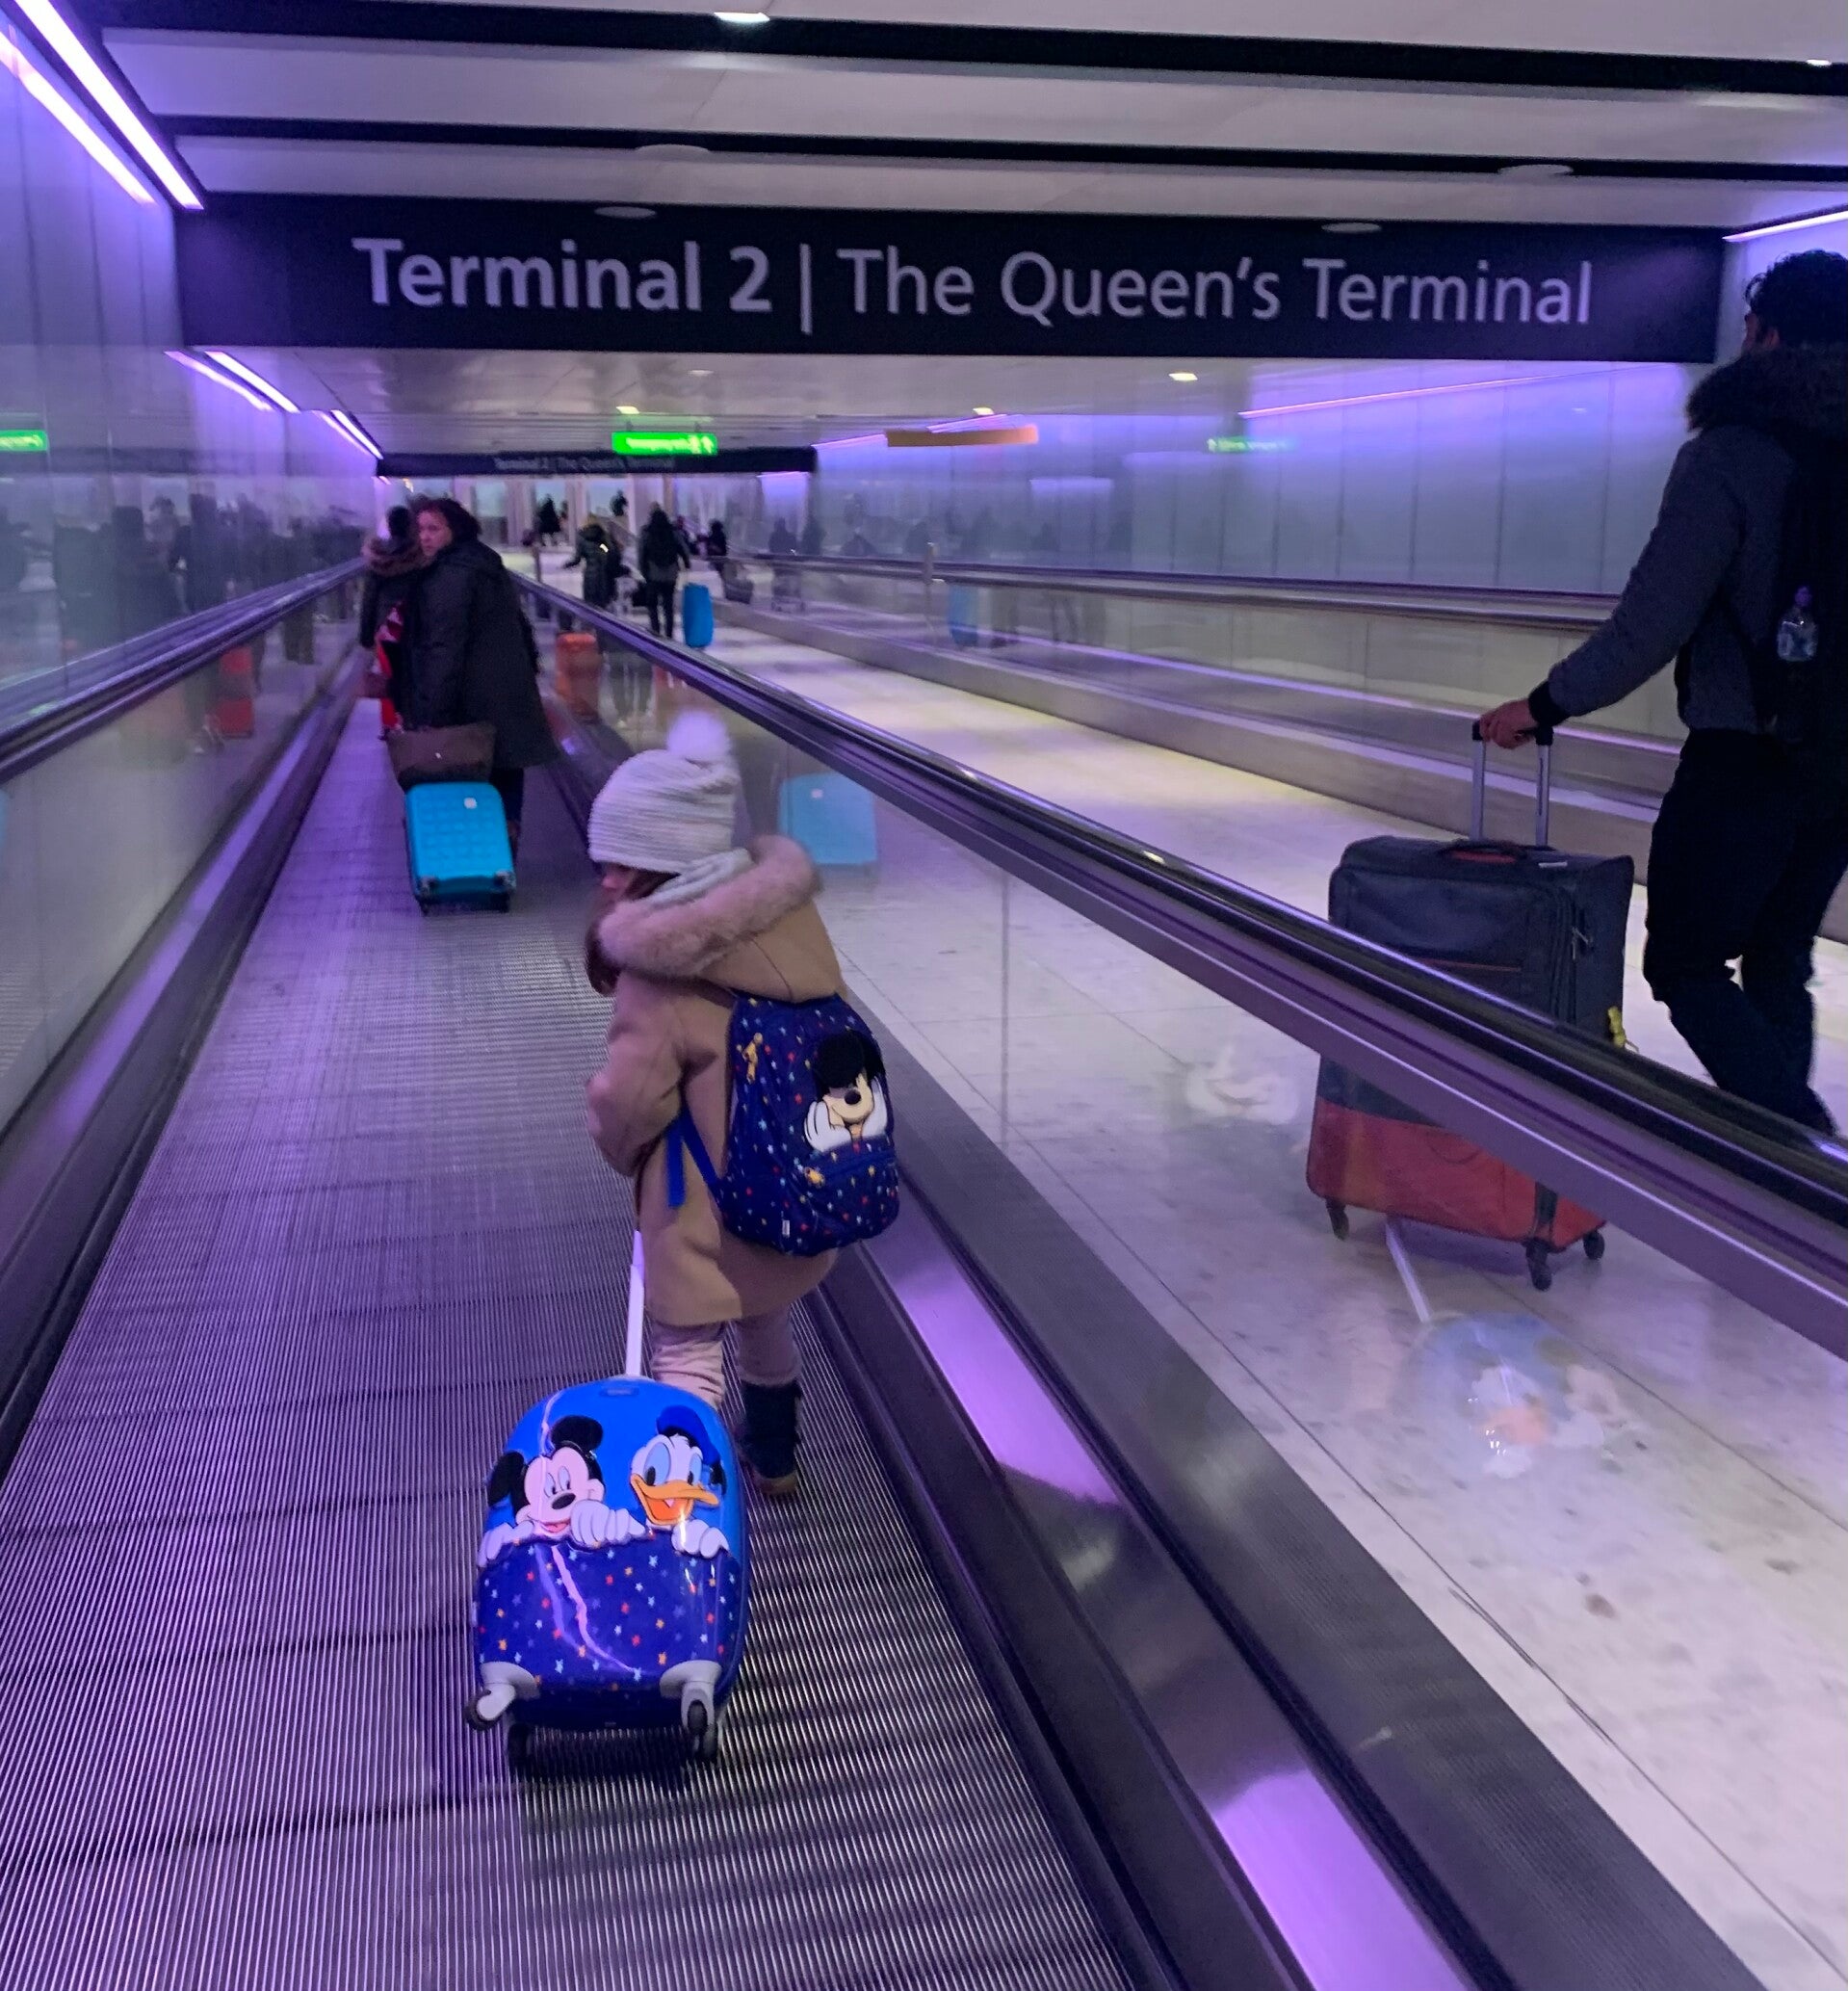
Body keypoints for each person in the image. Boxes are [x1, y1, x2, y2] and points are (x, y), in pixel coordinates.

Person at [1479, 249, 1847, 1132]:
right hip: (1839, 767)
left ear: (1767, 337)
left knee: (1683, 964)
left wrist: (1544, 704)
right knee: (1778, 959)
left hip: (1744, 760)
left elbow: (1653, 621)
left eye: (1749, 327)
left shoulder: (1731, 454)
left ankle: (1805, 1160)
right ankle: (1779, 1172)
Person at [583, 712, 840, 1491]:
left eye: (620, 863)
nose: (606, 879)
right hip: (786, 1187)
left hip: (698, 1202)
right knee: (765, 1321)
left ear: (664, 864)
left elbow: (629, 1103)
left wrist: (616, 1144)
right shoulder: (792, 926)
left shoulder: (662, 974)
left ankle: (684, 1510)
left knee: (687, 1352)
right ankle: (776, 1457)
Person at [404, 496, 558, 851]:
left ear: (454, 530)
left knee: (473, 779)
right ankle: (507, 846)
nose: (424, 537)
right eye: (421, 529)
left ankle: (482, 857)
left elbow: (445, 647)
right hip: (507, 691)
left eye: (433, 529)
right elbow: (518, 621)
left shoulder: (450, 575)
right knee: (507, 771)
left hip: (471, 700)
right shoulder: (485, 561)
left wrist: (434, 713)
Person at [358, 505, 423, 734]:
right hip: (415, 622)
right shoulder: (419, 555)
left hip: (385, 626)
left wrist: (366, 635)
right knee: (415, 674)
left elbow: (369, 599)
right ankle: (413, 720)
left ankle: (391, 724)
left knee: (389, 675)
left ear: (389, 525)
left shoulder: (378, 558)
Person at [637, 503, 688, 640]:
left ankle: (656, 633)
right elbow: (683, 548)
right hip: (671, 574)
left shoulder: (646, 532)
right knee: (668, 605)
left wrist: (643, 571)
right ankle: (669, 634)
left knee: (652, 605)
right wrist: (686, 563)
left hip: (653, 574)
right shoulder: (673, 531)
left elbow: (641, 553)